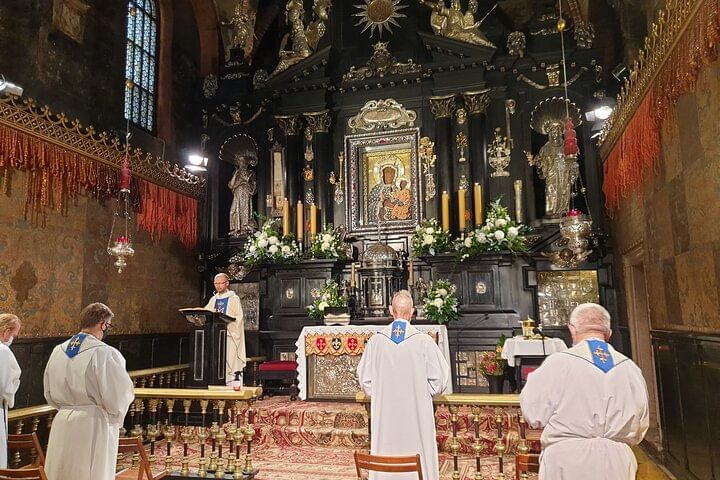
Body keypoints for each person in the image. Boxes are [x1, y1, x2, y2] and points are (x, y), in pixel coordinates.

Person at [520, 303, 649, 480]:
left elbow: (534, 414)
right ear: (609, 333)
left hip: (567, 459)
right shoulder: (631, 369)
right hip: (617, 461)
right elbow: (641, 425)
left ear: (572, 330)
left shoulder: (558, 363)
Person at [357, 290, 450, 480]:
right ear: (412, 312)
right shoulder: (424, 342)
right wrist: (420, 394)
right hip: (417, 414)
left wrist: (382, 395)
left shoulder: (376, 342)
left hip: (385, 414)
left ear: (391, 311)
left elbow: (365, 380)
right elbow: (439, 380)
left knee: (386, 447)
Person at [43, 303, 134, 480]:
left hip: (62, 419)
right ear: (103, 324)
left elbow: (48, 391)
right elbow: (118, 395)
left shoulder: (58, 351)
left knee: (61, 470)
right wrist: (117, 415)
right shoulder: (104, 353)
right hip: (92, 423)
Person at [205, 273, 246, 385]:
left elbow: (239, 318)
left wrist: (228, 323)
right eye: (216, 283)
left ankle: (232, 383)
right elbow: (206, 313)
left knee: (230, 359)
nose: (218, 286)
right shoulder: (213, 299)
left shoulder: (234, 298)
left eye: (221, 283)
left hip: (230, 335)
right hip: (216, 337)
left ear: (227, 283)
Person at [0, 314, 21, 469]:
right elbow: (6, 386)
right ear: (6, 331)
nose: (13, 338)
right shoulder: (3, 351)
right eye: (14, 334)